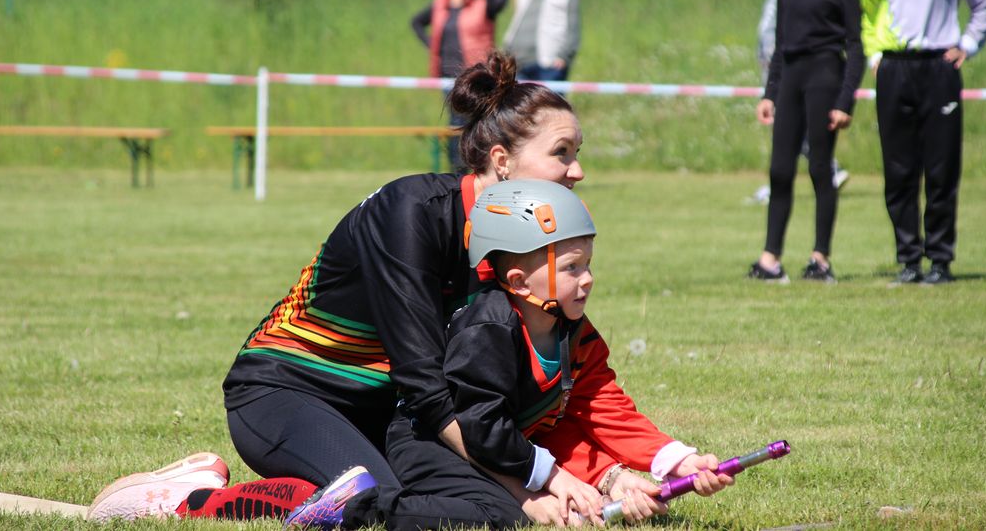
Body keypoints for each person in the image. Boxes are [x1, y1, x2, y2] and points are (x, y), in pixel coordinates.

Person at [86, 52, 590, 524]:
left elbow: (532, 386)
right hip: (285, 390)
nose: (579, 171)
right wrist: (530, 486)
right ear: (502, 160)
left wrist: (603, 478)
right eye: (561, 153)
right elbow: (424, 381)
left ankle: (318, 487)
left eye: (577, 153)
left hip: (388, 412)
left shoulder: (516, 242)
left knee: (468, 508)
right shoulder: (411, 213)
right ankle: (186, 500)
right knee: (371, 499)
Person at [284, 180, 733, 530]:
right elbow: (483, 428)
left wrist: (676, 460)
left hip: (501, 453)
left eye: (588, 264)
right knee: (501, 514)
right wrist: (551, 480)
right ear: (518, 281)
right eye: (571, 267)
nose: (588, 279)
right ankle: (359, 506)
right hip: (430, 445)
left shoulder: (574, 329)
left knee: (528, 505)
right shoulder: (489, 331)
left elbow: (603, 403)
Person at [860, 0, 986, 285]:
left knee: (941, 168)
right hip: (895, 70)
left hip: (939, 69)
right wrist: (875, 56)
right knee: (899, 169)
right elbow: (867, 14)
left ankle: (940, 260)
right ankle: (908, 260)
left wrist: (968, 44)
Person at [748, 0, 865, 283]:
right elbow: (781, 43)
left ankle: (820, 259)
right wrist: (770, 93)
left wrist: (845, 100)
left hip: (825, 76)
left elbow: (855, 46)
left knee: (819, 168)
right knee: (780, 169)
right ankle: (770, 259)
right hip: (791, 79)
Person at [751, 0, 848, 205]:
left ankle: (826, 172)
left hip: (795, 72)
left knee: (795, 128)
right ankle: (788, 180)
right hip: (776, 72)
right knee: (788, 129)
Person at [412, 0, 508, 171]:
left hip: (477, 74)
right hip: (448, 74)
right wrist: (433, 46)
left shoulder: (483, 3)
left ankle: (482, 165)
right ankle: (458, 168)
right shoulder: (440, 5)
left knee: (481, 118)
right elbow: (416, 22)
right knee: (457, 120)